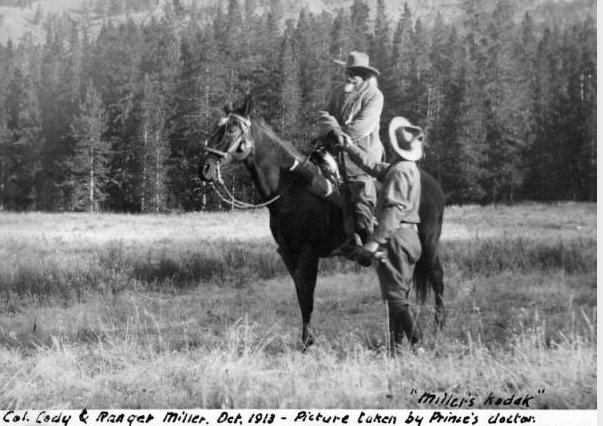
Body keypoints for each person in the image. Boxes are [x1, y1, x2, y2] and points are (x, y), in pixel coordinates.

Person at [336, 116, 424, 350]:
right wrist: (350, 147)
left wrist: (374, 243)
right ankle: (395, 349)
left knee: (396, 298)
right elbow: (373, 166)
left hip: (395, 239)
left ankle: (419, 346)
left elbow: (393, 212)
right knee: (399, 298)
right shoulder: (408, 168)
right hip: (410, 239)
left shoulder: (398, 172)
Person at [314, 51, 385, 255]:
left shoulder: (374, 96)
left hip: (363, 156)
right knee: (331, 191)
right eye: (348, 71)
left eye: (354, 73)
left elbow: (361, 128)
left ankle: (367, 241)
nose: (349, 76)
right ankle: (348, 238)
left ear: (364, 76)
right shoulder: (338, 92)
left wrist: (334, 131)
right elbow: (324, 115)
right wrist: (331, 128)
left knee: (361, 194)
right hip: (336, 153)